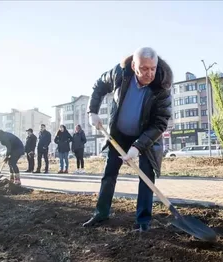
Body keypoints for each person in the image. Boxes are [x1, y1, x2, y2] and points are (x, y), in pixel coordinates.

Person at [82, 47, 173, 232]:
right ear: (133, 65)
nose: (150, 73)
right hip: (120, 135)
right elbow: (99, 86)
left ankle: (143, 222)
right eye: (144, 68)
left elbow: (160, 123)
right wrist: (92, 111)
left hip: (146, 137)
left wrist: (137, 147)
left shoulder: (162, 87)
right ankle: (101, 213)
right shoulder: (120, 73)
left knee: (146, 177)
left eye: (153, 68)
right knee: (109, 174)